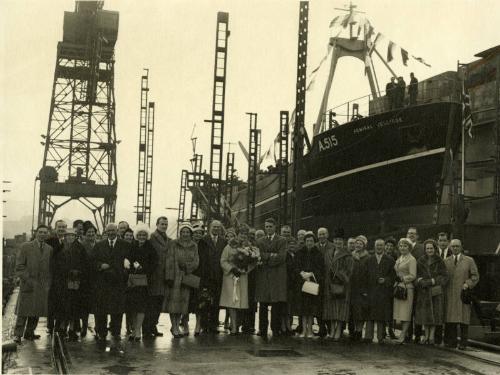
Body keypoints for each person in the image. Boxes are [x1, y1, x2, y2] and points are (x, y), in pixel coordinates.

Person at [90, 223, 131, 341]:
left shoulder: (125, 245)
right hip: (102, 283)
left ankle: (116, 331)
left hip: (118, 282)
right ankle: (101, 331)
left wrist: (124, 271)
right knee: (101, 309)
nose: (111, 233)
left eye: (113, 231)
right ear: (105, 232)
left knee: (117, 309)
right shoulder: (99, 245)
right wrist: (100, 265)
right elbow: (92, 261)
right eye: (109, 231)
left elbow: (130, 261)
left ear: (117, 231)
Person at [13, 225, 53, 344]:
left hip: (41, 285)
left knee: (36, 311)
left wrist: (47, 283)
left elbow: (50, 268)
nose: (42, 234)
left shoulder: (49, 249)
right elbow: (19, 266)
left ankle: (29, 333)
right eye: (40, 232)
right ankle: (17, 335)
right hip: (28, 284)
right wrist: (27, 279)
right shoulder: (26, 247)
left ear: (47, 234)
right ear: (36, 233)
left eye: (45, 232)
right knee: (23, 311)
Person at [219, 225, 259, 335]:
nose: (243, 236)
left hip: (243, 276)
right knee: (232, 301)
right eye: (241, 233)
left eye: (245, 234)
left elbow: (253, 262)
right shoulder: (229, 246)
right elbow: (223, 260)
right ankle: (234, 326)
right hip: (231, 277)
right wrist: (232, 268)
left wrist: (245, 269)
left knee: (241, 302)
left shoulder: (249, 247)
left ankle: (237, 324)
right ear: (238, 234)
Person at [163, 223, 199, 338]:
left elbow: (196, 261)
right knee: (173, 304)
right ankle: (174, 326)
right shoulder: (173, 243)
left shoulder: (194, 245)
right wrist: (169, 277)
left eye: (187, 232)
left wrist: (188, 266)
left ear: (190, 233)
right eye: (183, 232)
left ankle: (177, 325)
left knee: (183, 304)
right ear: (180, 233)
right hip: (175, 276)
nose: (185, 234)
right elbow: (169, 260)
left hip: (186, 277)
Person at [444, 239, 479, 350]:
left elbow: (475, 276)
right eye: (453, 246)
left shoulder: (469, 260)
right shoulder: (446, 261)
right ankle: (452, 342)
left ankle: (463, 343)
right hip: (450, 294)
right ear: (450, 247)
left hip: (463, 294)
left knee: (464, 319)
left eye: (457, 246)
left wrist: (468, 284)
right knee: (451, 319)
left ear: (461, 247)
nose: (455, 248)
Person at [255, 217, 288, 338]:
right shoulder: (260, 241)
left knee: (276, 304)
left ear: (275, 227)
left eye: (270, 226)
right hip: (264, 276)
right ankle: (262, 329)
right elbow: (259, 255)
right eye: (267, 226)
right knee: (263, 304)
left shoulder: (282, 240)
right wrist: (271, 255)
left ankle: (275, 328)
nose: (268, 228)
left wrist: (266, 259)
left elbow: (282, 257)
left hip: (276, 277)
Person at [125, 224, 158, 341]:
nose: (142, 236)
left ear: (147, 235)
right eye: (139, 234)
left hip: (144, 281)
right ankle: (134, 329)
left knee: (141, 307)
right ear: (136, 235)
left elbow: (154, 263)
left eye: (144, 234)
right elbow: (128, 259)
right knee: (133, 307)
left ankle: (138, 330)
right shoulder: (132, 246)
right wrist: (129, 265)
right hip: (133, 281)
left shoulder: (150, 247)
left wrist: (143, 269)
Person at [415, 239, 448, 345]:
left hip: (435, 291)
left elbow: (445, 276)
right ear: (425, 249)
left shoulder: (440, 260)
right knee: (425, 314)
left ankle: (431, 336)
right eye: (427, 248)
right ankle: (426, 335)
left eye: (431, 248)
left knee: (435, 314)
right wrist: (420, 281)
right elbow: (417, 276)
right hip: (424, 291)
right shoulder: (420, 260)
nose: (429, 250)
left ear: (435, 249)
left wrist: (433, 281)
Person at [323, 228, 353, 340]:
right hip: (329, 284)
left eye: (340, 240)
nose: (337, 242)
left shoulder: (347, 255)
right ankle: (332, 330)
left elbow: (349, 271)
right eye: (336, 240)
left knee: (340, 308)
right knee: (331, 307)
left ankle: (338, 330)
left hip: (341, 285)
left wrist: (339, 275)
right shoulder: (328, 253)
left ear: (343, 241)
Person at [59, 228, 90, 341]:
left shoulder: (80, 248)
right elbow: (57, 264)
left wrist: (78, 272)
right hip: (63, 282)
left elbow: (85, 264)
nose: (70, 237)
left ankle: (72, 329)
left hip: (76, 283)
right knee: (64, 307)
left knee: (73, 307)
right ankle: (62, 328)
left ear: (75, 236)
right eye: (68, 236)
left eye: (72, 236)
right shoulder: (61, 248)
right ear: (65, 237)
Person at [198, 220, 227, 334]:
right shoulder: (203, 240)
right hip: (207, 275)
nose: (216, 229)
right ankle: (205, 325)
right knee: (205, 300)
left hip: (219, 275)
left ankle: (214, 324)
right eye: (214, 227)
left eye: (218, 227)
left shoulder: (223, 241)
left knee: (217, 301)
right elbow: (201, 258)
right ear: (210, 227)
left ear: (220, 229)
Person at [144, 216, 171, 338]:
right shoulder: (151, 238)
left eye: (166, 224)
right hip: (154, 274)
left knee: (159, 302)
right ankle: (147, 327)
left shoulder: (169, 239)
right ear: (157, 224)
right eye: (162, 224)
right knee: (151, 302)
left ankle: (153, 325)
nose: (164, 226)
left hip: (164, 275)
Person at [364, 239, 396, 344]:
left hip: (383, 291)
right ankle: (368, 336)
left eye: (381, 245)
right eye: (377, 245)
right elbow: (364, 275)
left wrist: (386, 280)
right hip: (371, 290)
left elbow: (393, 276)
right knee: (369, 314)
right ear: (374, 246)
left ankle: (380, 337)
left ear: (384, 247)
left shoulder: (390, 260)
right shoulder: (369, 259)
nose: (379, 247)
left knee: (381, 315)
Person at [294, 232, 324, 338]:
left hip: (312, 283)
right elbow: (296, 266)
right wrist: (301, 273)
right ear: (305, 242)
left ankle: (310, 330)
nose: (309, 243)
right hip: (302, 283)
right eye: (307, 241)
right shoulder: (299, 252)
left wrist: (311, 274)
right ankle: (303, 330)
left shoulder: (318, 254)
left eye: (311, 241)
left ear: (314, 242)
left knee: (311, 309)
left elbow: (320, 268)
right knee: (302, 308)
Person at [393, 238, 417, 344]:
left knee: (406, 313)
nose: (402, 248)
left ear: (409, 248)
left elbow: (413, 275)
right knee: (400, 312)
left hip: (407, 288)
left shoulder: (412, 259)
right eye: (401, 246)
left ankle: (403, 335)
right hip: (399, 288)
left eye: (405, 246)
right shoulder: (400, 258)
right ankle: (403, 333)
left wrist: (402, 279)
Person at [45, 220, 67, 334]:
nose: (61, 229)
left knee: (62, 302)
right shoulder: (49, 241)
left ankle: (58, 325)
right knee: (51, 302)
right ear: (55, 228)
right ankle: (50, 325)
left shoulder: (69, 241)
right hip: (53, 276)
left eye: (63, 227)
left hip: (64, 277)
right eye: (59, 227)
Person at [350, 235, 370, 341]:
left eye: (360, 243)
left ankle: (359, 330)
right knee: (354, 310)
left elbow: (369, 274)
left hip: (362, 288)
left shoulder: (367, 257)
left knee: (361, 311)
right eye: (357, 243)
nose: (358, 245)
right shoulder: (351, 255)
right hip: (353, 287)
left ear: (364, 245)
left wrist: (366, 289)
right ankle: (354, 330)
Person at [406, 227, 424, 342]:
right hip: (407, 283)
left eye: (413, 234)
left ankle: (417, 334)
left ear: (417, 236)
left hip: (418, 283)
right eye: (409, 233)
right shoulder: (403, 246)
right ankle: (408, 334)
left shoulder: (421, 248)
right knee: (407, 310)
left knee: (417, 309)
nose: (411, 235)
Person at [316, 227, 334, 337]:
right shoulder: (315, 246)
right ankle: (321, 327)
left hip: (329, 279)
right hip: (317, 280)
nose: (321, 236)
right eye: (320, 234)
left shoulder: (332, 247)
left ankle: (330, 327)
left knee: (328, 303)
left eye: (323, 234)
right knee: (318, 304)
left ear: (327, 235)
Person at [80, 222, 97, 337]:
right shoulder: (82, 245)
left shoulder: (99, 244)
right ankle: (84, 326)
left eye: (92, 232)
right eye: (88, 232)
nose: (91, 234)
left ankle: (98, 326)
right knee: (85, 305)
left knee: (96, 304)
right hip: (85, 279)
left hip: (97, 279)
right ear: (85, 234)